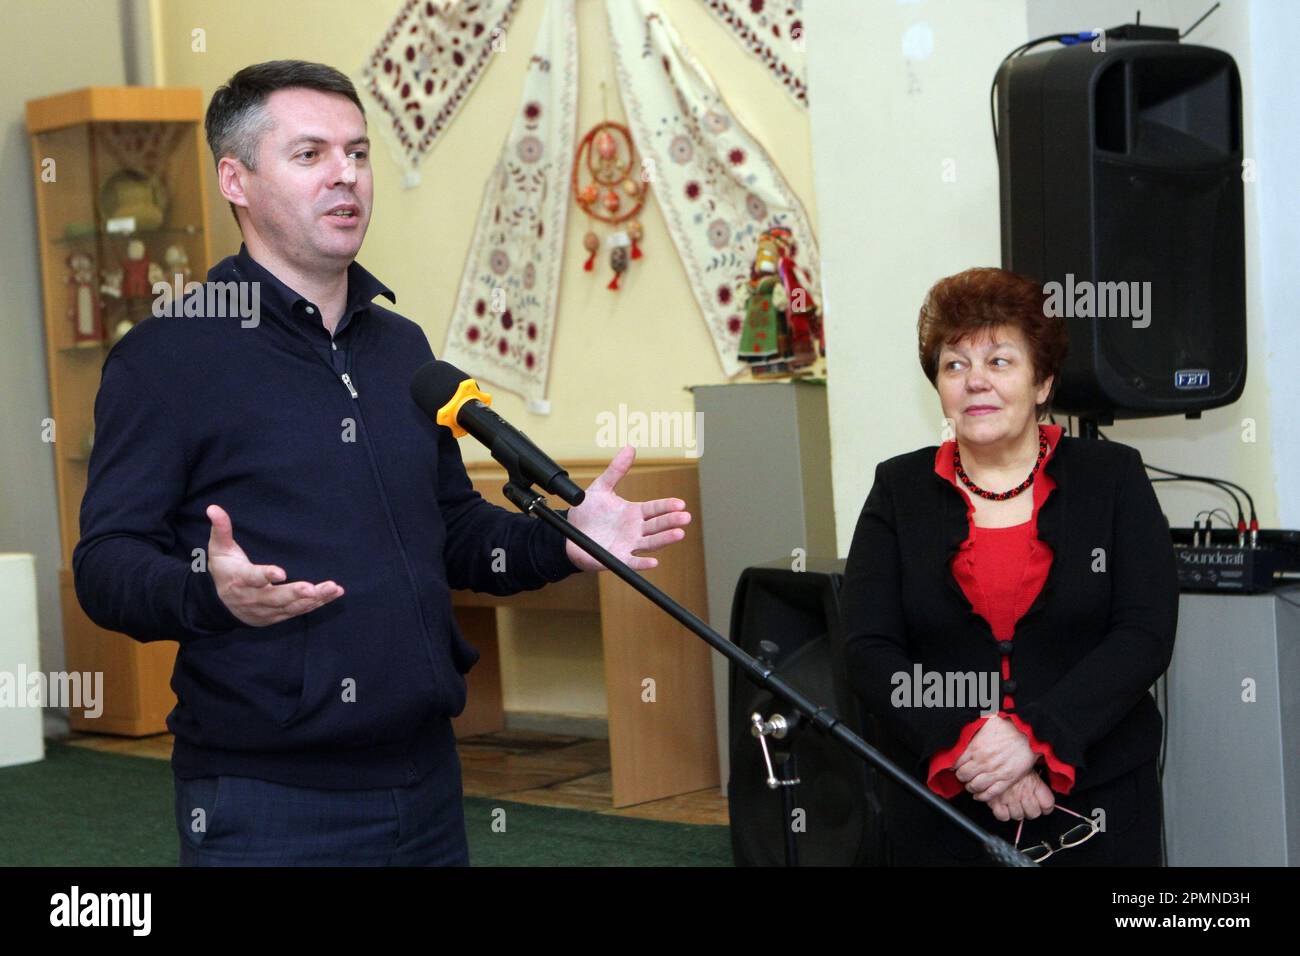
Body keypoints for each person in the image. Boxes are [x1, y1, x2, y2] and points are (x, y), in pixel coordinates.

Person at [72, 60, 692, 867]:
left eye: (358, 154)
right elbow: (106, 565)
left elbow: (454, 527)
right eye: (310, 155)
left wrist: (563, 541)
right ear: (237, 179)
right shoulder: (168, 357)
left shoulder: (401, 350)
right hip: (265, 801)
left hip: (427, 783)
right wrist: (209, 594)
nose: (346, 176)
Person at [839, 267, 1179, 865]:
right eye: (954, 365)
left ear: (1042, 381)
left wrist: (1034, 739)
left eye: (999, 362)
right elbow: (869, 650)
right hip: (943, 806)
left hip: (1096, 804)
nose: (975, 383)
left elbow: (1143, 635)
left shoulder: (1113, 478)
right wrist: (971, 748)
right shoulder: (898, 489)